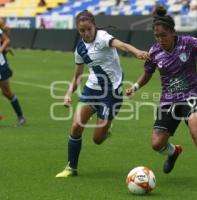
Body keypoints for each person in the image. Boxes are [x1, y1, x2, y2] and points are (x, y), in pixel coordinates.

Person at [126, 7, 197, 193]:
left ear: (173, 32)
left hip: (191, 96)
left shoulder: (188, 43)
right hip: (168, 101)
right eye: (157, 36)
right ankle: (174, 152)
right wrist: (135, 87)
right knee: (156, 144)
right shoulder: (155, 51)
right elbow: (147, 73)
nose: (160, 39)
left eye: (164, 35)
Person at [55, 10, 149, 178]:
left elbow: (122, 45)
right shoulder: (80, 48)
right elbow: (77, 75)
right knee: (76, 126)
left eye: (89, 29)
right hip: (91, 90)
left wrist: (136, 52)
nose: (86, 33)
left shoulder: (103, 36)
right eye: (82, 31)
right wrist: (69, 93)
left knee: (97, 139)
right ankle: (71, 167)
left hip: (111, 94)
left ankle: (107, 128)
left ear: (94, 26)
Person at [0, 20, 26, 127]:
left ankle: (21, 116)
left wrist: (1, 50)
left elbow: (6, 40)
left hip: (0, 66)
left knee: (7, 92)